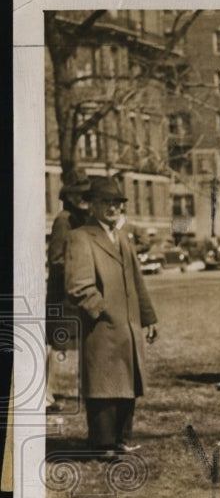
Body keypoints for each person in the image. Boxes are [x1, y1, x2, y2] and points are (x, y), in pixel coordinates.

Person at [64, 177, 158, 458]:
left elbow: (137, 280)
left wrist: (148, 316)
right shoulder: (81, 237)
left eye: (117, 202)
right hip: (101, 327)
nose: (113, 207)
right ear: (90, 205)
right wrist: (104, 310)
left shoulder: (122, 236)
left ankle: (122, 439)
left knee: (128, 383)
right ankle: (103, 444)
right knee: (104, 385)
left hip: (128, 325)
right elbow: (78, 285)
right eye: (106, 201)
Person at [46, 169, 90, 410]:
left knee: (81, 340)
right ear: (69, 196)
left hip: (78, 291)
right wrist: (79, 276)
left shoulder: (84, 220)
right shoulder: (64, 220)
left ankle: (86, 391)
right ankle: (46, 393)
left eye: (86, 193)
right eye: (78, 194)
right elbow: (56, 260)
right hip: (62, 294)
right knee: (55, 343)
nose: (84, 198)